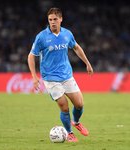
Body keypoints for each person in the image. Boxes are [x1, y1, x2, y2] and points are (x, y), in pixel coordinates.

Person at [28, 7, 93, 142]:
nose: (52, 22)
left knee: (79, 104)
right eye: (50, 20)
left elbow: (76, 47)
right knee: (64, 105)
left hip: (66, 75)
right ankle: (69, 133)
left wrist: (87, 63)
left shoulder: (67, 34)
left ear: (61, 19)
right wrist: (34, 76)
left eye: (55, 19)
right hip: (50, 78)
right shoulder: (41, 37)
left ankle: (76, 122)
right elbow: (31, 56)